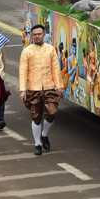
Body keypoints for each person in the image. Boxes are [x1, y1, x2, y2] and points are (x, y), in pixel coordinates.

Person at [19, 24, 63, 156]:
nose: (37, 36)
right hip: (33, 88)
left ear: (44, 34)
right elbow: (22, 71)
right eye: (34, 34)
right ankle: (37, 144)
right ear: (31, 36)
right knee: (36, 117)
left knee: (51, 113)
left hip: (49, 87)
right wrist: (23, 90)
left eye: (39, 34)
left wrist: (59, 85)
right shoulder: (27, 51)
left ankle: (45, 134)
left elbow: (56, 68)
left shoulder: (50, 50)